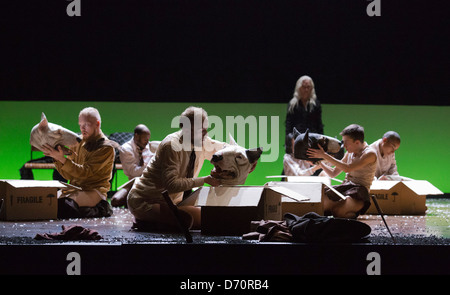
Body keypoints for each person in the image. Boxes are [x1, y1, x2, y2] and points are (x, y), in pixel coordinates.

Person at [127, 106, 226, 231]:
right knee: (186, 220)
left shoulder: (201, 140)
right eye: (201, 129)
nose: (205, 133)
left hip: (173, 202)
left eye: (205, 129)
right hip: (147, 200)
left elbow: (224, 149)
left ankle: (158, 220)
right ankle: (145, 220)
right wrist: (205, 180)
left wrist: (247, 158)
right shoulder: (172, 145)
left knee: (208, 218)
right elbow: (172, 184)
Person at [42, 107, 115, 218]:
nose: (82, 128)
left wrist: (62, 159)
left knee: (63, 206)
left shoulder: (106, 147)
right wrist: (57, 157)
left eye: (86, 124)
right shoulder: (78, 142)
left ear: (97, 124)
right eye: (80, 125)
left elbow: (85, 173)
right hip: (75, 188)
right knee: (47, 202)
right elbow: (69, 174)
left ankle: (101, 208)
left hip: (95, 190)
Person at [307, 124, 377, 219]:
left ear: (357, 142)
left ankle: (352, 214)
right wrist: (319, 162)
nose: (344, 146)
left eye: (346, 143)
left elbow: (348, 168)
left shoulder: (370, 154)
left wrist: (324, 155)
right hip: (346, 187)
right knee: (320, 204)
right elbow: (333, 173)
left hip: (359, 193)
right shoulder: (350, 153)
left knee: (338, 211)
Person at [110, 124, 155, 207]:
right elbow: (133, 172)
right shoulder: (126, 149)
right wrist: (151, 166)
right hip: (134, 182)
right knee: (116, 200)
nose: (147, 141)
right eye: (145, 139)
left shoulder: (148, 146)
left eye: (148, 139)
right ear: (136, 136)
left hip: (149, 181)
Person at [285, 75, 324, 140]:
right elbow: (289, 124)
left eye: (308, 87)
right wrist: (289, 139)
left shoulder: (316, 104)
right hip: (297, 138)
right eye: (304, 87)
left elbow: (319, 124)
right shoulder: (293, 104)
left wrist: (321, 139)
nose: (306, 90)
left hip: (312, 138)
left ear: (311, 88)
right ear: (299, 88)